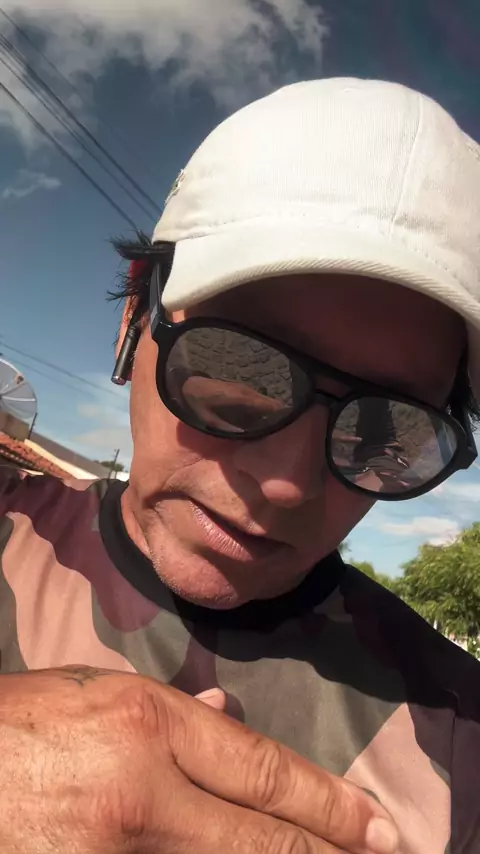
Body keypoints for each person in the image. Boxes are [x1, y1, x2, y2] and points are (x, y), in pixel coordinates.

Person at [0, 77, 479, 854]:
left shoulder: (461, 742)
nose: (286, 482)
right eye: (239, 368)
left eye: (388, 427)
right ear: (133, 321)